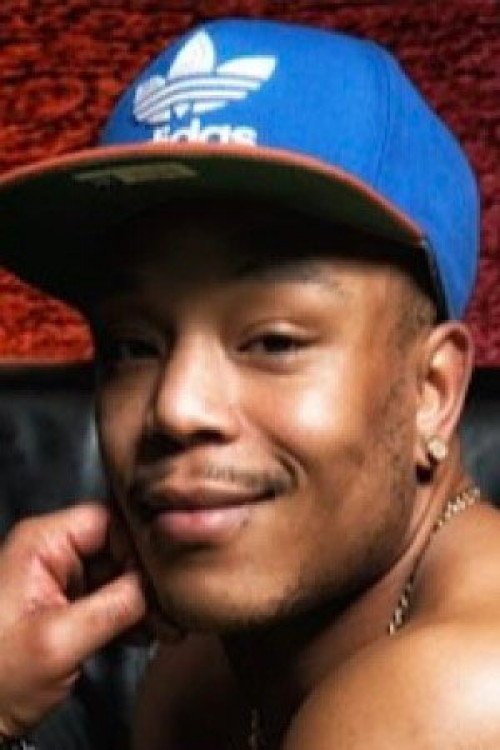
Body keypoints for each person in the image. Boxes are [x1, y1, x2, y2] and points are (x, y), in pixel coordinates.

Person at [0, 16, 498, 750]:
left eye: (273, 341)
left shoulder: (450, 702)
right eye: (132, 347)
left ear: (433, 391)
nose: (176, 407)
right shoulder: (200, 674)